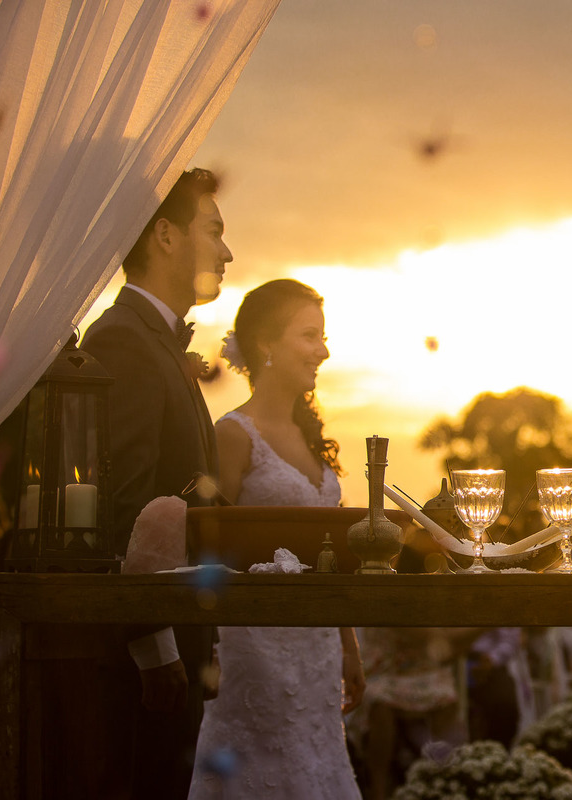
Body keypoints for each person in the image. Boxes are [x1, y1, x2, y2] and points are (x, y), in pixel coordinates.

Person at [80, 167, 232, 798]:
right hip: (147, 662)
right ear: (165, 236)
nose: (227, 251)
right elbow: (124, 509)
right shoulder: (123, 341)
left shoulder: (160, 346)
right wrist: (155, 648)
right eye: (215, 231)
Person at [188, 279, 365, 799]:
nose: (323, 351)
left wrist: (348, 646)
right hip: (253, 651)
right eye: (309, 336)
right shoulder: (233, 436)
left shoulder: (312, 438)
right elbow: (206, 548)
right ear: (267, 343)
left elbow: (333, 556)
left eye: (324, 336)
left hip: (318, 651)